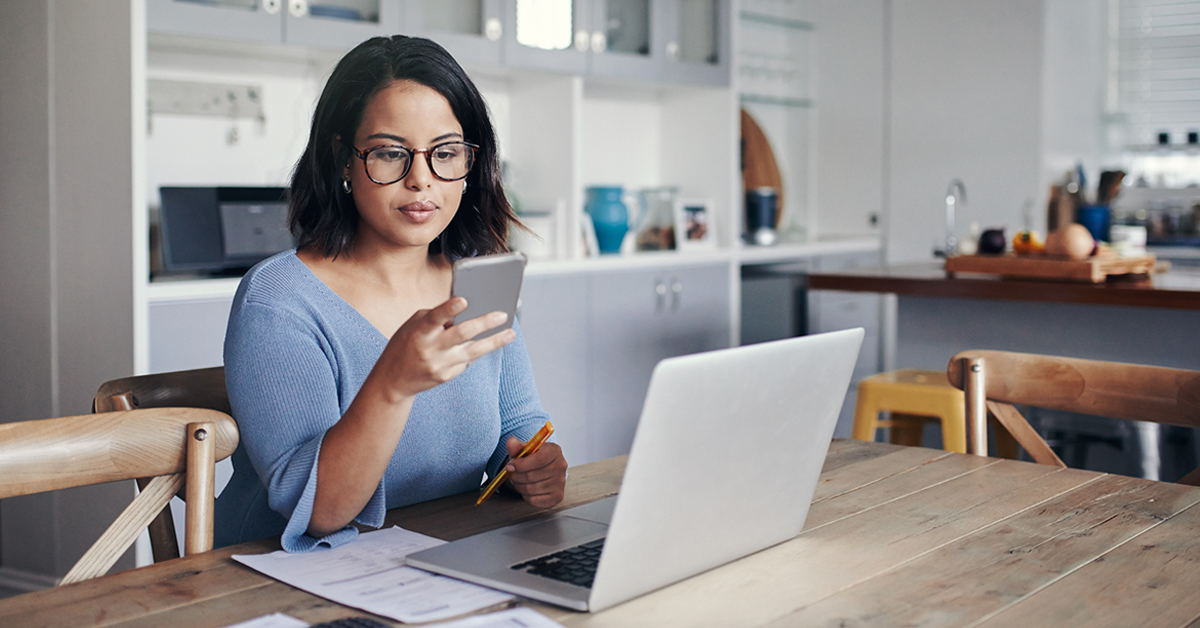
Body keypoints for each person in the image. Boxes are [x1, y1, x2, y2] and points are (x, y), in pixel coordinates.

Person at [215, 35, 568, 552]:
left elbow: (516, 427)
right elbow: (317, 513)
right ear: (342, 160)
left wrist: (533, 466)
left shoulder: (476, 280)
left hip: (436, 559)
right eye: (389, 154)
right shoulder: (278, 298)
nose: (422, 180)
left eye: (445, 153)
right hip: (280, 583)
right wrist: (392, 384)